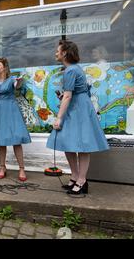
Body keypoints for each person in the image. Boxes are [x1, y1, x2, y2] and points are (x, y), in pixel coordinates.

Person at [47, 40, 109, 195]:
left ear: (65, 53)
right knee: (69, 144)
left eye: (58, 50)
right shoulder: (73, 69)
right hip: (77, 108)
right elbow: (70, 94)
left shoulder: (70, 70)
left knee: (82, 146)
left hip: (78, 110)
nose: (56, 53)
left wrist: (59, 118)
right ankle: (75, 177)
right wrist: (65, 98)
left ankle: (82, 181)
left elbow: (68, 96)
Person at [0, 57, 31, 182]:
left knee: (16, 139)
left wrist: (19, 81)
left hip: (11, 110)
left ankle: (22, 168)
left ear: (4, 67)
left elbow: (17, 86)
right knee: (0, 141)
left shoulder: (11, 79)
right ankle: (2, 167)